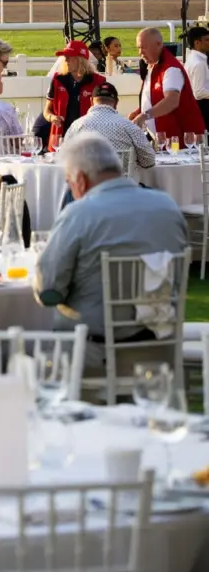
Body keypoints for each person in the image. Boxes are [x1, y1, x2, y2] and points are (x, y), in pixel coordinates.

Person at [35, 133, 187, 362]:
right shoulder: (168, 207)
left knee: (22, 352)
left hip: (91, 352)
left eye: (69, 182)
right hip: (159, 349)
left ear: (80, 179)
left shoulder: (78, 214)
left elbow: (48, 292)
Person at [129, 27, 205, 142]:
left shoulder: (171, 69)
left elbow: (171, 101)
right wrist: (139, 111)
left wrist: (144, 115)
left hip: (181, 140)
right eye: (139, 48)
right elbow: (154, 98)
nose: (140, 52)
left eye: (144, 47)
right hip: (165, 138)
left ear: (159, 44)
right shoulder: (153, 66)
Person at [64, 81, 155, 173]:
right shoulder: (129, 126)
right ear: (116, 103)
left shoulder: (76, 126)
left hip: (87, 186)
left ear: (91, 101)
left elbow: (64, 159)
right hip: (122, 185)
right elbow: (149, 162)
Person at [44, 40, 107, 152]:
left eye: (69, 57)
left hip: (88, 140)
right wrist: (52, 118)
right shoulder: (57, 79)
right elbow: (46, 111)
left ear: (80, 59)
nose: (66, 60)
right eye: (65, 57)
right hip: (60, 140)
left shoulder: (98, 81)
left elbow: (105, 112)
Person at [185, 25, 209, 129]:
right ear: (197, 42)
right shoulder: (199, 63)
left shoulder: (192, 58)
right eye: (207, 40)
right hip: (202, 108)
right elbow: (199, 92)